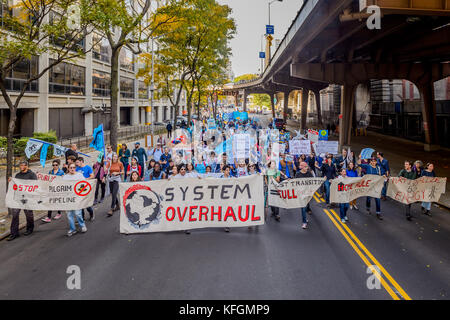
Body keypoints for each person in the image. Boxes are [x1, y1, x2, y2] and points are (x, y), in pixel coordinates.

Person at [7, 161, 37, 241]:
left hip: (27, 198)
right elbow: (15, 185)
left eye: (23, 165)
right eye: (20, 165)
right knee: (15, 214)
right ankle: (14, 233)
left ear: (26, 166)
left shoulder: (32, 174)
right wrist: (11, 181)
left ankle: (30, 228)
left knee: (28, 214)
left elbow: (35, 185)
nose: (21, 167)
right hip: (18, 198)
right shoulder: (18, 175)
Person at [63, 163, 87, 237]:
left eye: (73, 167)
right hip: (69, 198)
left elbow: (85, 184)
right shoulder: (65, 177)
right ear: (68, 168)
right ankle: (72, 229)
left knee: (77, 213)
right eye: (71, 167)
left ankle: (82, 225)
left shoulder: (79, 175)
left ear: (75, 168)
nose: (72, 169)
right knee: (69, 215)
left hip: (77, 198)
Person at [358, 156, 384, 220]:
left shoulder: (378, 168)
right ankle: (368, 207)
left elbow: (381, 175)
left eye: (374, 161)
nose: (373, 162)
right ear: (371, 162)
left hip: (376, 186)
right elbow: (359, 164)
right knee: (369, 198)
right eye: (372, 161)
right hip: (369, 186)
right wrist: (360, 158)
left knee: (377, 199)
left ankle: (378, 213)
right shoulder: (368, 166)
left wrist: (383, 176)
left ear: (376, 162)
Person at [295, 162, 314, 229]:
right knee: (303, 208)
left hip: (308, 193)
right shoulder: (298, 174)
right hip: (301, 194)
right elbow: (295, 183)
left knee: (305, 207)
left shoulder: (309, 173)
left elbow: (313, 182)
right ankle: (304, 222)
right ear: (302, 167)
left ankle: (305, 219)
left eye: (307, 167)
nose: (307, 168)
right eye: (305, 167)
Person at [75, 157, 95, 221]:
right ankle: (82, 218)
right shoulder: (77, 168)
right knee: (80, 204)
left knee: (86, 204)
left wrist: (85, 180)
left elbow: (92, 176)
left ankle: (91, 214)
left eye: (77, 162)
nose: (76, 163)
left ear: (81, 161)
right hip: (78, 188)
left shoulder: (88, 167)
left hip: (86, 188)